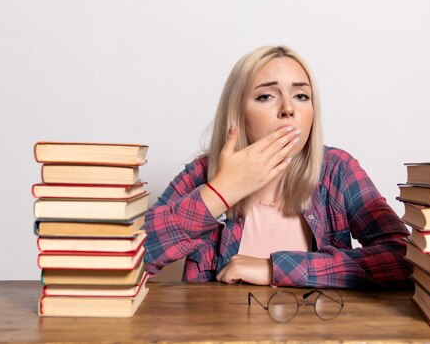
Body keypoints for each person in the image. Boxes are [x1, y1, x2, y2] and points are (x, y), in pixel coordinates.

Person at [144, 45, 412, 289]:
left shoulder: (337, 170)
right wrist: (221, 192)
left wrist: (275, 268)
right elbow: (130, 256)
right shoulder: (204, 173)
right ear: (237, 113)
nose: (287, 109)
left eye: (301, 96)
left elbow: (404, 256)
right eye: (265, 96)